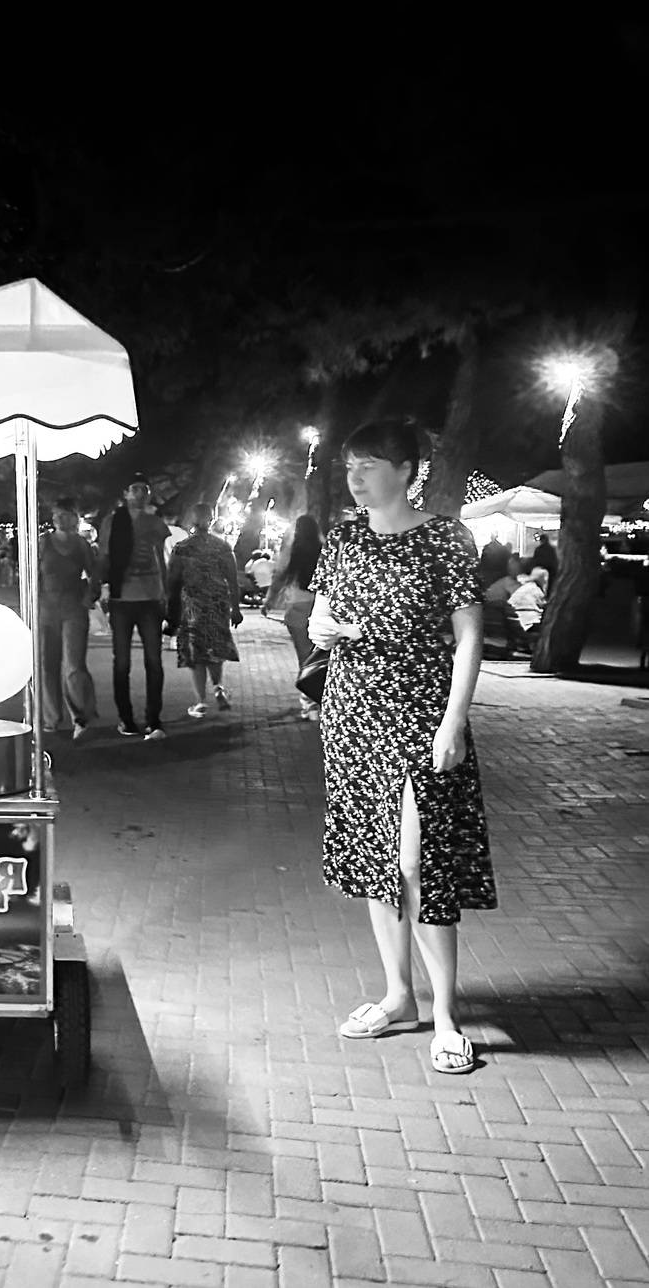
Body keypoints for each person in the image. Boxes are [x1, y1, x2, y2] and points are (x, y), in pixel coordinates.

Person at [307, 416, 495, 1077]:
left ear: (407, 471)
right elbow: (321, 614)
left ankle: (445, 1015)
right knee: (375, 860)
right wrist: (324, 628)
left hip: (420, 712)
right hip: (352, 713)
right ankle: (397, 995)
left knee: (419, 864)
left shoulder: (445, 537)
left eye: (369, 466)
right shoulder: (343, 537)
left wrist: (454, 722)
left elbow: (469, 635)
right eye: (350, 466)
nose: (355, 478)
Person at [97, 473, 171, 741]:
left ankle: (153, 718)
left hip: (150, 597)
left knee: (154, 661)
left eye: (144, 489)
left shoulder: (155, 523)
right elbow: (104, 555)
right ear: (126, 493)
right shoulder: (112, 521)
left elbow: (162, 558)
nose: (140, 494)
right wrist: (102, 586)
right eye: (135, 489)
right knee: (122, 662)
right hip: (122, 598)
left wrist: (166, 592)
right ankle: (125, 717)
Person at [166, 503, 242, 716]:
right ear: (211, 519)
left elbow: (172, 581)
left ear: (192, 520)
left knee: (196, 653)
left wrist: (170, 611)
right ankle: (218, 687)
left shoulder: (182, 548)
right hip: (218, 604)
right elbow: (233, 581)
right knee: (215, 648)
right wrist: (236, 609)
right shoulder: (222, 547)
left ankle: (200, 701)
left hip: (192, 605)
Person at [38, 496, 99, 740]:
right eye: (56, 515)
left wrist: (89, 596)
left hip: (73, 608)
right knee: (47, 665)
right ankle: (51, 718)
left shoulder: (81, 545)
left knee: (74, 665)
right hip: (46, 610)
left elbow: (94, 575)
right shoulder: (43, 542)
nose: (59, 519)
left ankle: (81, 717)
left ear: (74, 518)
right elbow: (32, 574)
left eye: (64, 515)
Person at [272, 514, 323, 719]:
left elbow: (280, 576)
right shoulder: (324, 550)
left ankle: (310, 703)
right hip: (320, 606)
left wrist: (269, 601)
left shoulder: (292, 551)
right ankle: (319, 698)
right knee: (321, 655)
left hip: (297, 605)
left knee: (304, 656)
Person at [506, 565, 547, 651]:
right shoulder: (535, 590)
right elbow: (544, 606)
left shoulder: (526, 587)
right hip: (527, 623)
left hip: (516, 621)